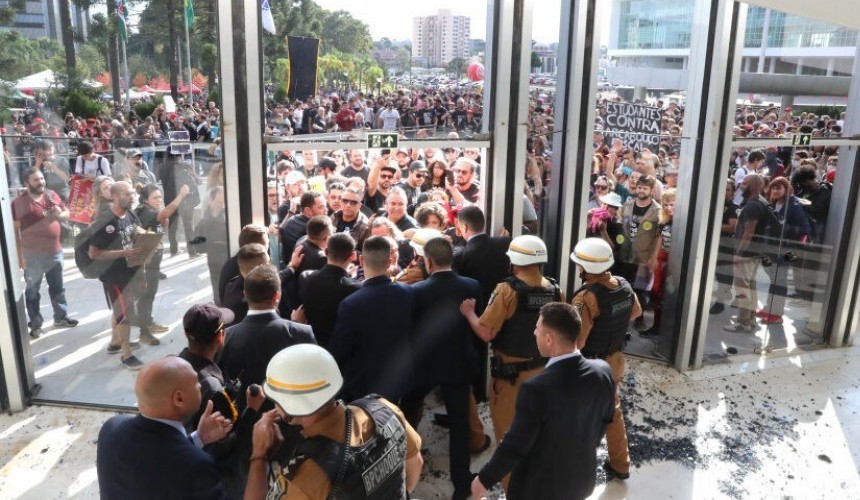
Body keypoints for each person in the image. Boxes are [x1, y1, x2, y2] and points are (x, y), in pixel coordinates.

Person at [471, 302, 615, 500]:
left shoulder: (536, 389)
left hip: (539, 490)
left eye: (537, 328)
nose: (533, 332)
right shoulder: (603, 371)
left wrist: (484, 479)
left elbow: (516, 445)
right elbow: (606, 419)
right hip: (581, 481)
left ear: (549, 339)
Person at [245, 344, 423, 499]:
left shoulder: (307, 479)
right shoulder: (385, 408)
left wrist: (259, 455)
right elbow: (416, 463)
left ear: (290, 405)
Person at [460, 234, 563, 483]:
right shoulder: (554, 288)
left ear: (514, 262)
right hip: (545, 374)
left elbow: (487, 333)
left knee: (509, 441)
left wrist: (469, 314)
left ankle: (514, 490)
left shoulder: (507, 289)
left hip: (511, 378)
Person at [400, 237, 482, 498]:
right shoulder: (472, 286)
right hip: (459, 363)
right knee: (460, 423)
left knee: (408, 411)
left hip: (425, 365)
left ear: (428, 261)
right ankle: (461, 481)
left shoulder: (416, 291)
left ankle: (404, 466)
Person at [96, 356, 233, 498]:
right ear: (179, 398)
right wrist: (257, 456)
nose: (199, 385)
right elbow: (170, 463)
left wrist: (199, 438)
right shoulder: (198, 467)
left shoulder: (111, 428)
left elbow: (152, 467)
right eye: (195, 382)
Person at [570, 237, 642, 481]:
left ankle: (577, 468)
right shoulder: (623, 284)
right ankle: (621, 464)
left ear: (585, 269)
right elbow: (636, 312)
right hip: (615, 361)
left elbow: (578, 341)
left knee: (582, 416)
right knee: (612, 411)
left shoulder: (585, 298)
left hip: (590, 366)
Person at [329, 236, 415, 402]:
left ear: (361, 260)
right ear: (390, 261)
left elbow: (340, 348)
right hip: (398, 377)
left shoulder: (351, 304)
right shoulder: (408, 293)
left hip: (363, 383)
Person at [12, 168, 78, 338]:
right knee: (32, 291)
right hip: (32, 257)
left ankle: (61, 317)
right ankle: (35, 324)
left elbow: (67, 213)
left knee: (58, 288)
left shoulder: (51, 195)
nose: (41, 182)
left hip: (55, 252)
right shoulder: (19, 203)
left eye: (42, 178)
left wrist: (59, 214)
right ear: (27, 183)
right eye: (36, 180)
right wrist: (20, 258)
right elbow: (15, 232)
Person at [88, 181, 146, 369]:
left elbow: (136, 230)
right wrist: (123, 253)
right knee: (123, 312)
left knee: (122, 308)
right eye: (127, 194)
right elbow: (93, 253)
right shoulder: (105, 221)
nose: (132, 197)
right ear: (114, 197)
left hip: (130, 271)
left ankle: (115, 342)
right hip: (114, 276)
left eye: (132, 194)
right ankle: (126, 353)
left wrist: (145, 236)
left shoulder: (129, 212)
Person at [134, 183, 190, 343]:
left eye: (160, 197)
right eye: (155, 197)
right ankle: (144, 332)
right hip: (144, 264)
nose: (159, 200)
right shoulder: (144, 211)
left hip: (151, 262)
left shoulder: (148, 209)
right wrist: (181, 195)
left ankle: (148, 322)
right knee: (145, 296)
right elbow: (166, 212)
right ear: (145, 200)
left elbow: (161, 217)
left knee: (149, 295)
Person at [758, 177, 811, 324]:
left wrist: (782, 228)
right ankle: (769, 308)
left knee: (779, 280)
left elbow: (804, 230)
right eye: (774, 187)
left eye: (779, 188)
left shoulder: (793, 206)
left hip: (788, 250)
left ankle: (776, 314)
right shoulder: (776, 204)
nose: (775, 190)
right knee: (774, 279)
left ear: (787, 190)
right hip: (775, 249)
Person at [297, 233, 361, 349]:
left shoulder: (306, 279)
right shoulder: (355, 289)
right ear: (352, 256)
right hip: (342, 350)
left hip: (312, 345)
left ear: (326, 252)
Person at [727, 173, 769, 333]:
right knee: (750, 286)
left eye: (744, 184)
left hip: (747, 254)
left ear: (753, 186)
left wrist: (739, 253)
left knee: (742, 288)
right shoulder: (759, 202)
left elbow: (748, 232)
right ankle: (749, 319)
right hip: (754, 252)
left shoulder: (753, 205)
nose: (741, 186)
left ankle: (743, 321)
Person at [619, 174, 661, 321]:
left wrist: (653, 257)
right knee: (623, 287)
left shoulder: (657, 210)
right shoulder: (628, 204)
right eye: (639, 187)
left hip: (643, 257)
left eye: (645, 188)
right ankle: (622, 316)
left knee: (641, 290)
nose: (641, 190)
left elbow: (658, 236)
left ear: (651, 190)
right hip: (625, 254)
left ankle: (639, 317)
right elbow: (620, 226)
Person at [641, 188, 675, 337]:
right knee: (656, 294)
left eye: (672, 204)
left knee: (668, 295)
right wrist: (653, 258)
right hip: (662, 261)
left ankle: (664, 327)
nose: (668, 208)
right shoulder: (665, 221)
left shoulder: (683, 223)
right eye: (666, 205)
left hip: (674, 264)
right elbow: (660, 239)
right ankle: (657, 326)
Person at [710, 178, 739, 314]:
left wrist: (713, 225)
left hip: (725, 244)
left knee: (724, 274)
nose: (724, 192)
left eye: (728, 189)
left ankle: (720, 302)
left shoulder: (733, 208)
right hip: (712, 243)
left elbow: (732, 227)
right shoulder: (713, 204)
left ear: (733, 193)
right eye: (723, 188)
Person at [279, 191, 326, 267]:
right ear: (308, 210)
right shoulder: (313, 229)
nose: (326, 211)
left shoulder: (291, 220)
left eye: (325, 206)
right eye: (321, 207)